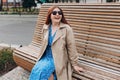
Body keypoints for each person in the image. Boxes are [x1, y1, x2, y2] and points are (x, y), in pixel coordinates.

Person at [29, 6, 84, 80]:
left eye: (59, 13)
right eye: (54, 13)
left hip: (58, 58)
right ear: (50, 16)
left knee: (43, 71)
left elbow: (71, 47)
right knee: (36, 70)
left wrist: (75, 64)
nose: (57, 15)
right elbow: (43, 44)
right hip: (45, 57)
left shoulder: (67, 29)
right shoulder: (46, 27)